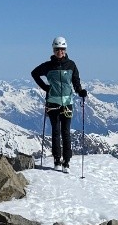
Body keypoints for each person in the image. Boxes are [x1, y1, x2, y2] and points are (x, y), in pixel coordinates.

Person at [31, 36, 87, 169]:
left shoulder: (71, 65)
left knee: (65, 132)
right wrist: (45, 87)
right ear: (53, 50)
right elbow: (34, 73)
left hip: (67, 102)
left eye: (62, 49)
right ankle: (57, 159)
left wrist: (80, 91)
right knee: (56, 132)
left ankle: (66, 161)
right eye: (57, 49)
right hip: (53, 103)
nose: (59, 52)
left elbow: (75, 81)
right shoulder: (48, 66)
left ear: (65, 49)